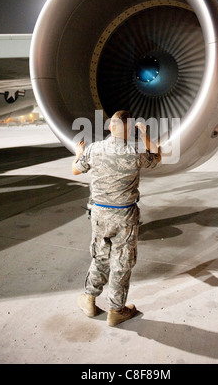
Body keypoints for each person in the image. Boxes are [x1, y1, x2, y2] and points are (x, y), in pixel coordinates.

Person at [72, 110, 161, 326]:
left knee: (100, 257)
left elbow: (75, 170)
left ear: (110, 127)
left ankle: (89, 300)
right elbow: (156, 156)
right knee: (122, 262)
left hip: (100, 214)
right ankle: (116, 310)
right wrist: (144, 134)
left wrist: (78, 152)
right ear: (129, 129)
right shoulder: (135, 151)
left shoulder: (94, 149)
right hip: (125, 215)